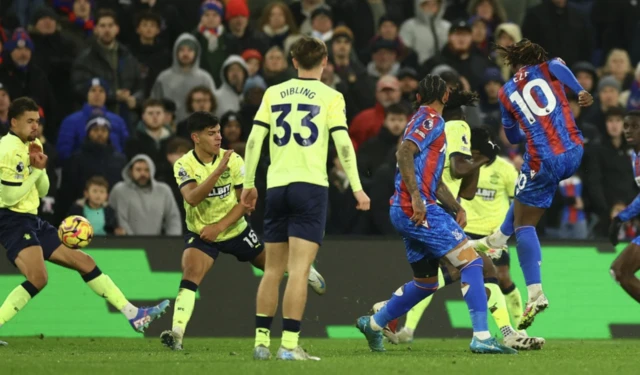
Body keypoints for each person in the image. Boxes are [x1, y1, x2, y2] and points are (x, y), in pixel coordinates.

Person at [354, 75, 515, 355]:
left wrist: (455, 206)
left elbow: (433, 178)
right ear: (444, 97)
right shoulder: (430, 119)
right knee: (472, 262)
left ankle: (375, 323)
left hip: (409, 207)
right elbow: (403, 153)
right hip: (417, 207)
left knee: (426, 283)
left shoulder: (425, 120)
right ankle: (482, 336)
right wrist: (417, 197)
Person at [0, 98, 169, 347]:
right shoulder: (8, 149)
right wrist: (35, 170)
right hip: (11, 220)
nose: (35, 126)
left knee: (85, 261)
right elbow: (9, 196)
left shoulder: (32, 145)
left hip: (30, 219)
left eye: (37, 121)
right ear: (13, 122)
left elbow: (44, 190)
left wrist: (41, 167)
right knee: (38, 278)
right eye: (29, 121)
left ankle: (134, 314)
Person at [241, 36, 369, 360]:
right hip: (310, 187)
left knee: (272, 270)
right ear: (325, 62)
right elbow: (343, 144)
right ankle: (287, 346)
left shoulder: (273, 93)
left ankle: (259, 343)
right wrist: (356, 186)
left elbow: (255, 139)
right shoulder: (331, 96)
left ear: (293, 62)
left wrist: (248, 183)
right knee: (299, 271)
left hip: (276, 186)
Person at [159, 112, 326, 351]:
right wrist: (217, 171)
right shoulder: (184, 164)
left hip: (234, 229)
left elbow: (247, 203)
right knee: (191, 272)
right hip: (201, 233)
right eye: (211, 133)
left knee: (272, 267)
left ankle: (303, 270)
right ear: (196, 137)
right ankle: (176, 334)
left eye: (218, 132)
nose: (218, 137)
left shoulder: (235, 160)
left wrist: (219, 227)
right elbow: (192, 198)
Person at [473, 39, 594, 330]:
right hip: (574, 151)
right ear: (537, 56)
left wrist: (514, 121)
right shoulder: (549, 66)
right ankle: (496, 241)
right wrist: (580, 91)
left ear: (512, 62)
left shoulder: (505, 92)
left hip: (543, 157)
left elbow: (513, 138)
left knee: (524, 224)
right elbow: (558, 67)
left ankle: (534, 291)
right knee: (524, 198)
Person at [609, 110, 640, 304]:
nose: (628, 130)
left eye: (635, 126)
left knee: (621, 270)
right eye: (626, 126)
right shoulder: (635, 157)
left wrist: (621, 217)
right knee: (620, 271)